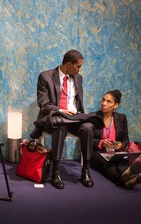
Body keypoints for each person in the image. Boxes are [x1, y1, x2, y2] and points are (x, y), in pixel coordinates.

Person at [31, 49, 95, 189]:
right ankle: (56, 171)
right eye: (78, 66)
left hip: (74, 118)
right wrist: (60, 110)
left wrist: (78, 115)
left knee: (88, 127)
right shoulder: (45, 76)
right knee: (61, 126)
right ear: (69, 64)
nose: (80, 69)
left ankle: (86, 171)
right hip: (56, 117)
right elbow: (43, 104)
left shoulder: (78, 78)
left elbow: (78, 102)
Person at [90, 90, 141, 189]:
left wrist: (121, 145)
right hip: (96, 152)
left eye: (108, 101)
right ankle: (130, 179)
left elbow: (125, 138)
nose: (103, 103)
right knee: (108, 164)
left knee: (122, 161)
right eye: (103, 100)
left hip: (115, 151)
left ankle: (128, 177)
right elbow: (86, 140)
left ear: (115, 105)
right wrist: (102, 143)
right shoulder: (93, 117)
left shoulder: (121, 118)